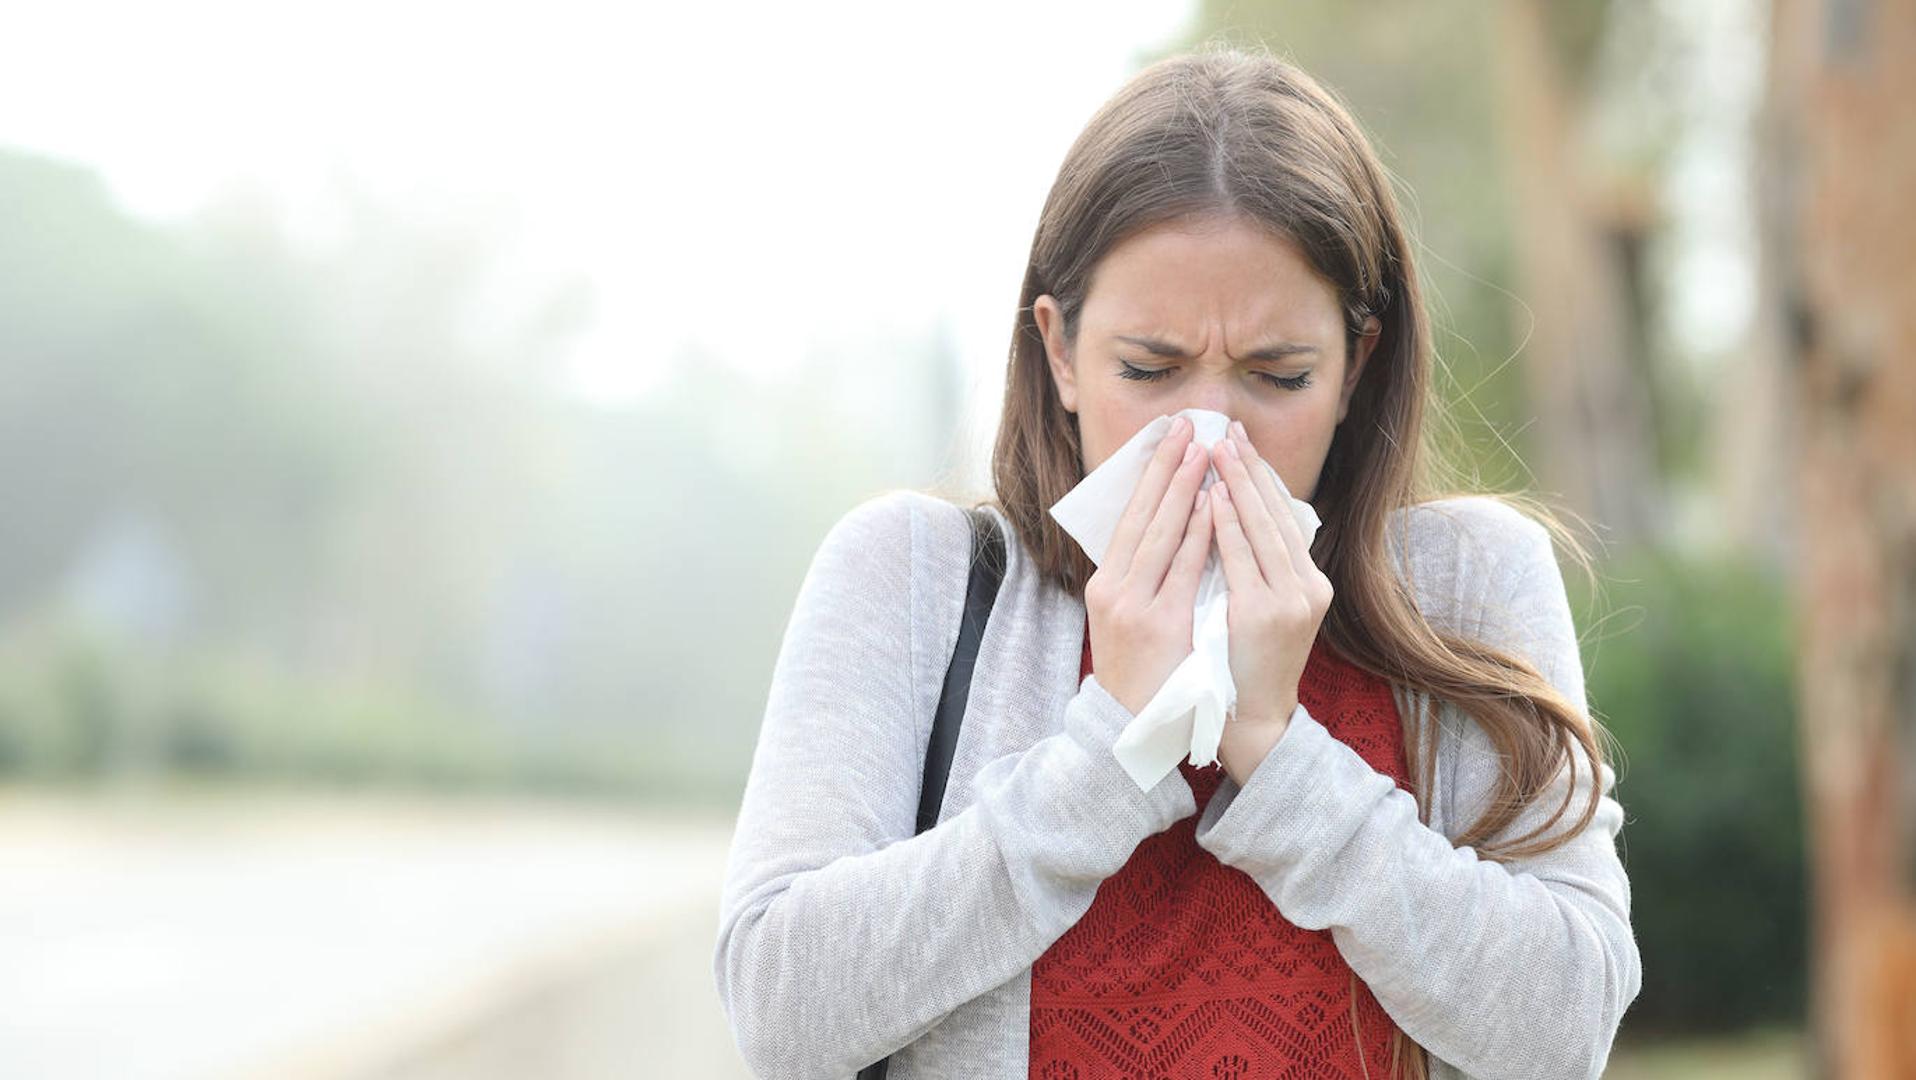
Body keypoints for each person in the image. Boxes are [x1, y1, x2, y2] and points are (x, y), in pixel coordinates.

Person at [714, 43, 1640, 1080]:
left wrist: (1277, 749)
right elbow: (779, 1014)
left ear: (1354, 364)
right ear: (1059, 352)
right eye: (1148, 370)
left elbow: (1563, 1032)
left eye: (1276, 376)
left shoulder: (1468, 579)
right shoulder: (914, 577)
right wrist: (1108, 748)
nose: (1209, 434)